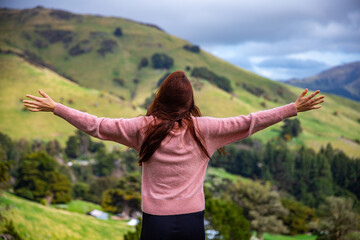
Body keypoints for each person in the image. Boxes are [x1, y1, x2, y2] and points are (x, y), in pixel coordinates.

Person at [23, 70, 325, 240]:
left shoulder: (142, 128)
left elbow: (98, 126)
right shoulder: (206, 129)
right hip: (193, 220)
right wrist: (293, 108)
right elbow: (250, 121)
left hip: (156, 222)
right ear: (189, 101)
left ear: (160, 98)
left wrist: (56, 107)